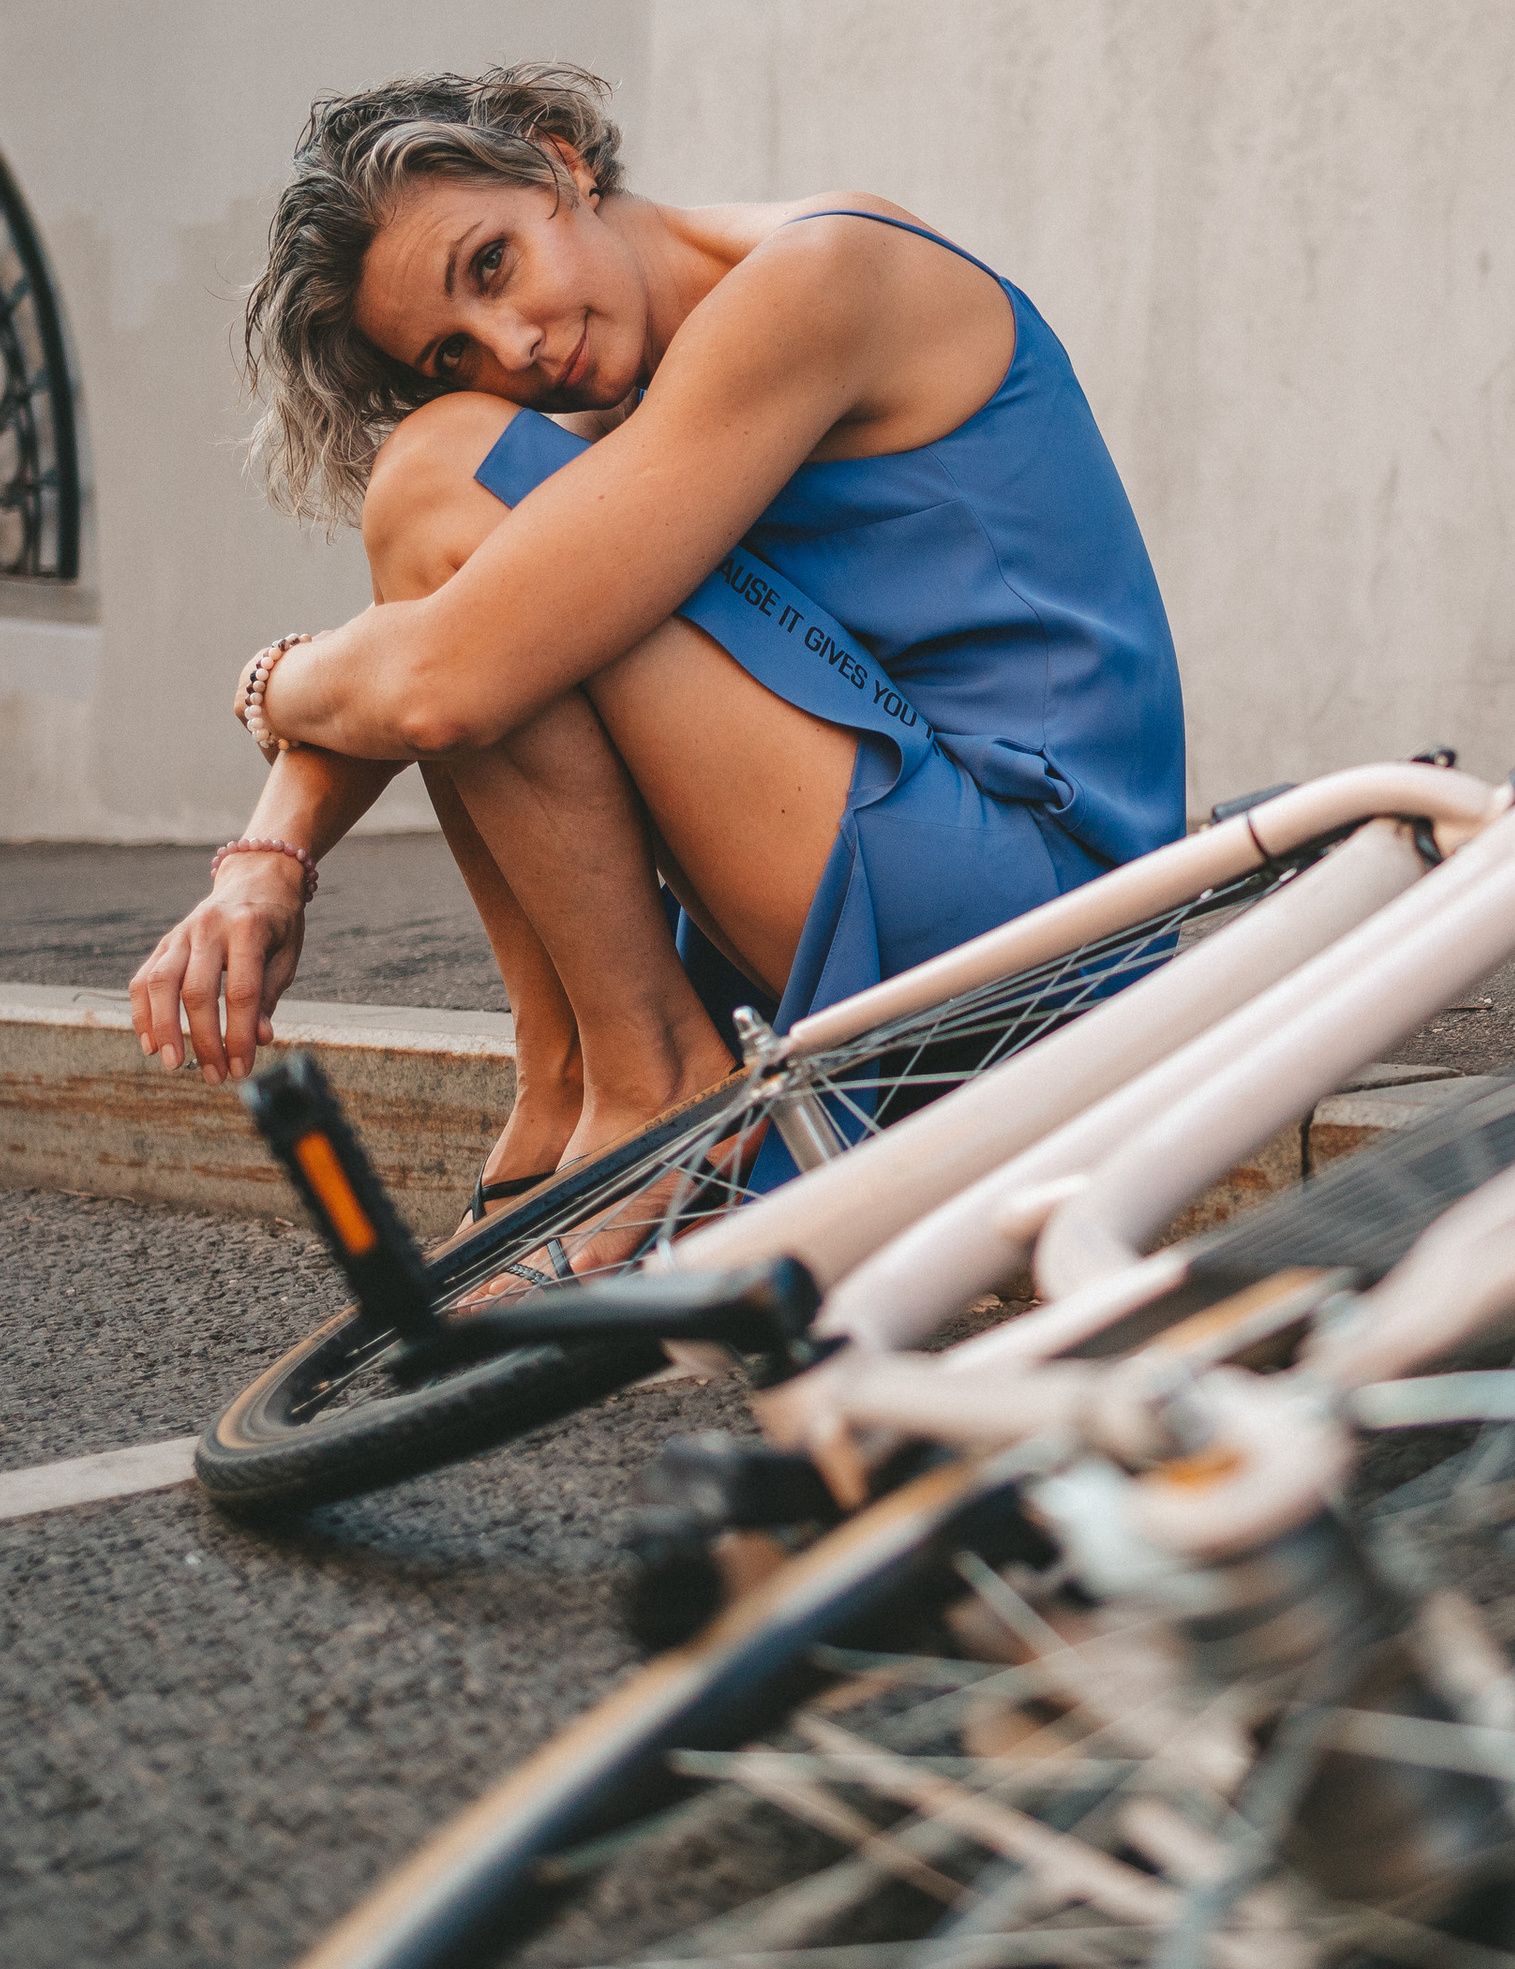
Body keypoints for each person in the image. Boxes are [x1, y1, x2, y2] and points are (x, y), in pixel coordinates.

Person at [129, 64, 1185, 1224]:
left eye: (490, 264)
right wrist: (263, 864)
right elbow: (443, 644)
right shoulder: (623, 397)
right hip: (911, 876)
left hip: (1043, 920)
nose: (511, 346)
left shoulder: (826, 276)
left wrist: (276, 682)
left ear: (558, 160)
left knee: (442, 480)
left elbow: (441, 680)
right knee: (451, 500)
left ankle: (646, 1080)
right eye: (452, 352)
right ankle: (570, 1079)